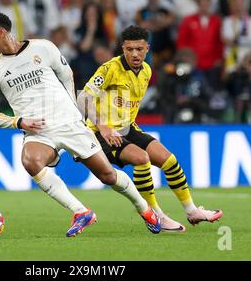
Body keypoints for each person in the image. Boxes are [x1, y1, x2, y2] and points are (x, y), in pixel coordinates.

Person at [0, 12, 161, 237]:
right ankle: (80, 211)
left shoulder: (43, 48)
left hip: (69, 122)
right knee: (30, 161)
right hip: (38, 130)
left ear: (1, 32)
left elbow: (66, 74)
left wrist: (73, 108)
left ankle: (145, 209)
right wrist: (19, 121)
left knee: (107, 176)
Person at [77, 25, 223, 232]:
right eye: (129, 49)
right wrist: (103, 126)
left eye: (139, 49)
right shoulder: (109, 69)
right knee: (141, 159)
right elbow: (83, 97)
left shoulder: (146, 71)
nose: (134, 54)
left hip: (128, 128)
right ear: (123, 49)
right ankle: (155, 215)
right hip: (101, 132)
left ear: (147, 48)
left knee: (169, 160)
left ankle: (192, 211)